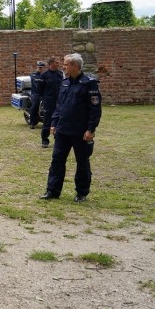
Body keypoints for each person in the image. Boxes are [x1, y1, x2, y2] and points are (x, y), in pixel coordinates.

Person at [40, 53, 102, 202]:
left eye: (66, 64)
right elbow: (59, 105)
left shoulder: (89, 83)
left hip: (80, 131)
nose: (63, 67)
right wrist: (54, 123)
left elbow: (95, 109)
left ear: (75, 66)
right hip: (62, 129)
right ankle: (52, 190)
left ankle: (81, 193)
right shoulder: (65, 82)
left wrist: (91, 129)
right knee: (57, 160)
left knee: (82, 162)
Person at [39, 57, 64, 148]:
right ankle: (45, 140)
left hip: (59, 101)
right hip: (49, 101)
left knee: (59, 120)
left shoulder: (60, 74)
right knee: (47, 121)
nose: (58, 64)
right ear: (51, 64)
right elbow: (40, 89)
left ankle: (58, 139)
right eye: (56, 63)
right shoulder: (44, 75)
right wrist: (45, 98)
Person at [28, 61, 46, 129]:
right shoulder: (34, 75)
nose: (39, 69)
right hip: (36, 93)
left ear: (44, 68)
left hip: (44, 93)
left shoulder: (46, 75)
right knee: (35, 105)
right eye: (38, 67)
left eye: (41, 67)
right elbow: (36, 82)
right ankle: (32, 123)